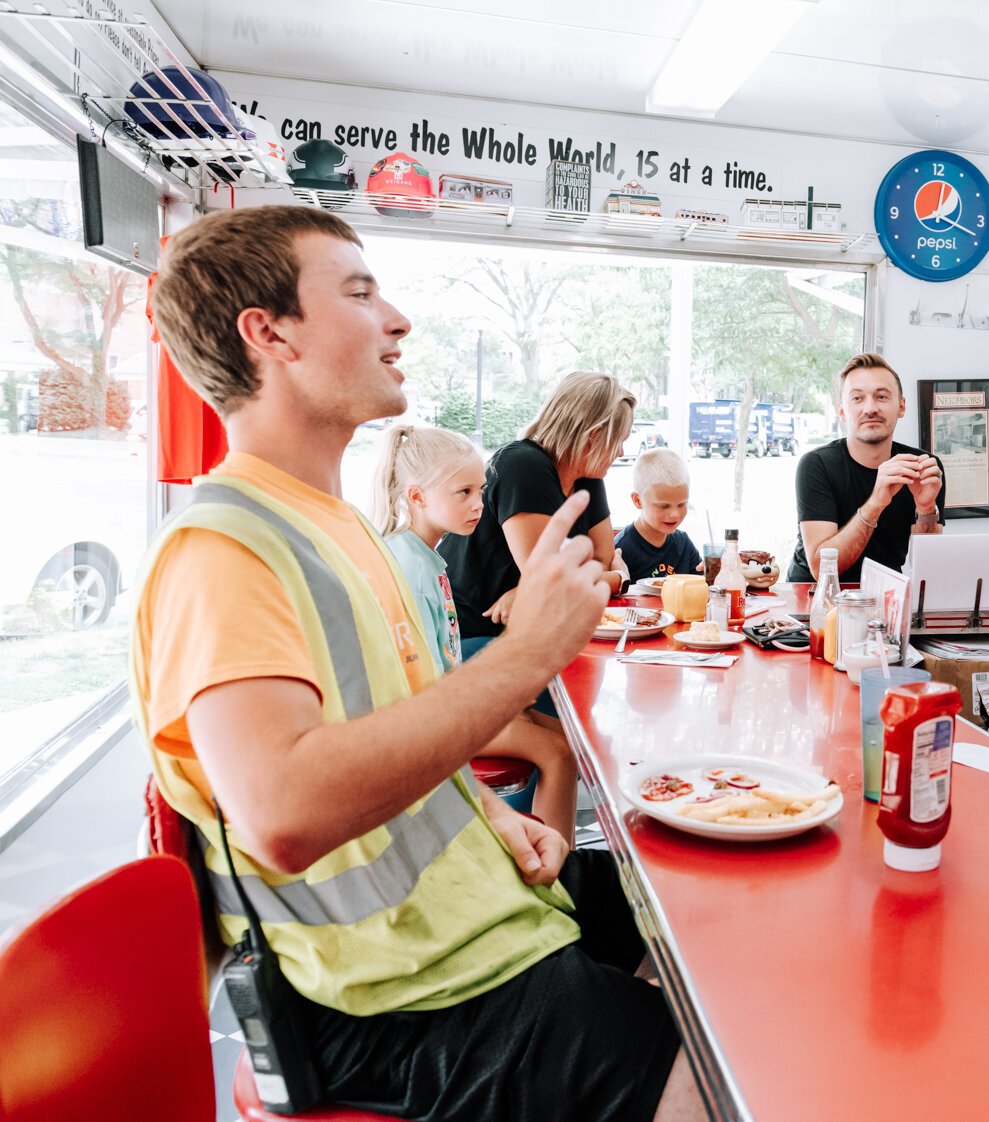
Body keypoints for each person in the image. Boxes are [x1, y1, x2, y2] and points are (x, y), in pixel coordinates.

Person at [137, 205, 704, 1122]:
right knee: (723, 1077)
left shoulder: (344, 529)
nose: (397, 318)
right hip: (381, 995)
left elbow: (392, 723)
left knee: (699, 911)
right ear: (268, 332)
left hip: (465, 919)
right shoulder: (225, 550)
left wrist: (486, 811)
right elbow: (282, 814)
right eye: (361, 293)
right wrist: (526, 656)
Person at [371, 423, 579, 840]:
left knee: (545, 725)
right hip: (429, 724)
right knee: (558, 753)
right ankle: (563, 871)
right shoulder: (409, 569)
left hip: (444, 709)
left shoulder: (426, 557)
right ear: (417, 497)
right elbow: (418, 681)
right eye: (463, 493)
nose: (479, 504)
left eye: (480, 491)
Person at [439, 370, 633, 660]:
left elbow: (598, 559)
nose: (620, 452)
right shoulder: (522, 465)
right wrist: (618, 577)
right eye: (618, 440)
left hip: (536, 630)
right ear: (593, 437)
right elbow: (551, 581)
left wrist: (533, 589)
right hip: (473, 636)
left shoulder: (588, 476)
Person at [787, 352, 945, 583]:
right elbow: (821, 568)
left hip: (886, 592)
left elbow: (929, 566)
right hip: (814, 595)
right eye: (857, 398)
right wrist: (877, 502)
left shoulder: (923, 468)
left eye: (881, 397)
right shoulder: (816, 465)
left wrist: (926, 507)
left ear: (901, 407)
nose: (870, 408)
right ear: (842, 411)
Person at [614, 447, 703, 580]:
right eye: (663, 506)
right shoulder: (622, 549)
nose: (675, 514)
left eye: (682, 504)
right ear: (637, 500)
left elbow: (700, 584)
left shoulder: (683, 543)